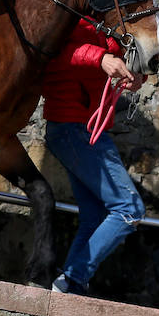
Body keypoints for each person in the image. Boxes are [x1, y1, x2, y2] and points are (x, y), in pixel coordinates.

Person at [42, 17, 145, 296]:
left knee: (96, 215)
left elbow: (118, 55)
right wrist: (101, 59)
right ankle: (74, 278)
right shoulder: (69, 13)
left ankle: (69, 286)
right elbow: (53, 52)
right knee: (129, 209)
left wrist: (133, 73)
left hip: (85, 128)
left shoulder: (108, 20)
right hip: (72, 127)